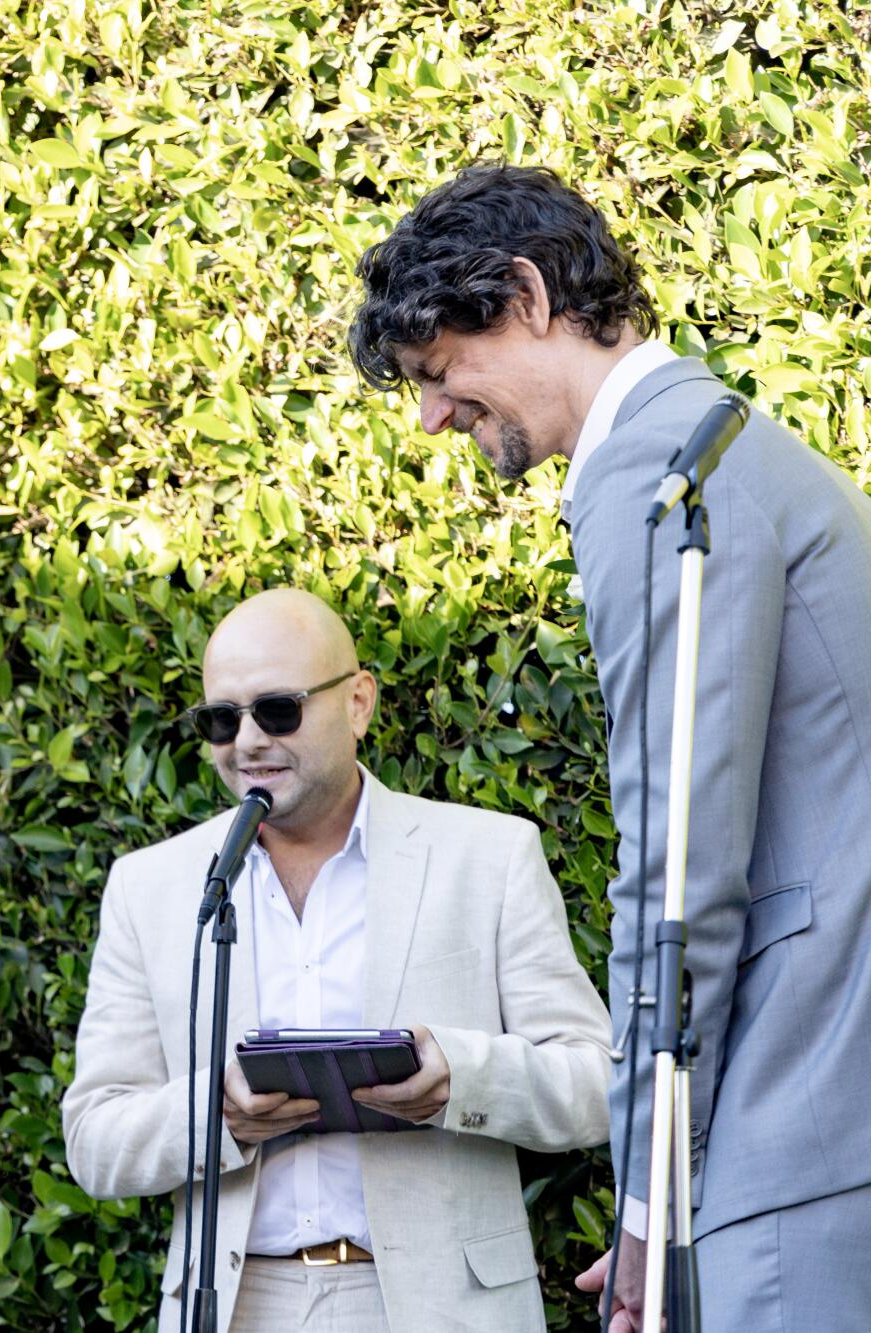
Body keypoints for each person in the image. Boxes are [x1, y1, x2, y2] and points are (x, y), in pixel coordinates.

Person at [348, 162, 871, 1329]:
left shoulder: (660, 472)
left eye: (437, 372)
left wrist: (648, 1191)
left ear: (526, 297)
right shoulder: (732, 442)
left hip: (797, 1124)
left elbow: (678, 872)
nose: (430, 414)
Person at [62, 589, 611, 1332]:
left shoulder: (488, 855)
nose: (248, 740)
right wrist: (217, 1112)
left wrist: (462, 1075)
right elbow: (95, 1141)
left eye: (278, 709)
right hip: (238, 1304)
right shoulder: (151, 885)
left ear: (358, 702)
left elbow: (600, 1081)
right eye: (222, 719)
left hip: (438, 1303)